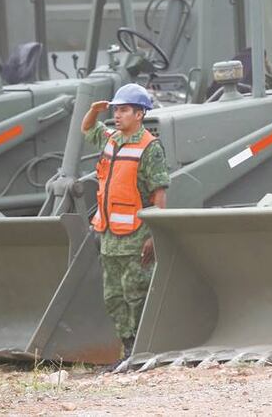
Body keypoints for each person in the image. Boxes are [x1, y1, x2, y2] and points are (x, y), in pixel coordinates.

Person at [80, 83, 169, 367]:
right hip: (109, 236)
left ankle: (144, 352)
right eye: (116, 110)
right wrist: (93, 111)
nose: (118, 115)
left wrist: (154, 235)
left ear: (140, 114)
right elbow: (87, 130)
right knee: (113, 297)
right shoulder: (111, 139)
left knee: (136, 295)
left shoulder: (149, 148)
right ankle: (128, 352)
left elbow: (158, 194)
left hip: (135, 236)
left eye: (124, 110)